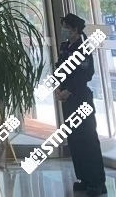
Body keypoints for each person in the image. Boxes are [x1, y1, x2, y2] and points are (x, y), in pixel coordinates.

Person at [54, 13, 106, 197]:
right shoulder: (65, 47)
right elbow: (59, 68)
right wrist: (59, 87)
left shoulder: (83, 47)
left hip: (80, 97)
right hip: (67, 98)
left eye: (66, 27)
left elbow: (85, 73)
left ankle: (97, 182)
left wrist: (69, 90)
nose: (63, 30)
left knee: (87, 138)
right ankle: (84, 178)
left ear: (75, 29)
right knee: (75, 139)